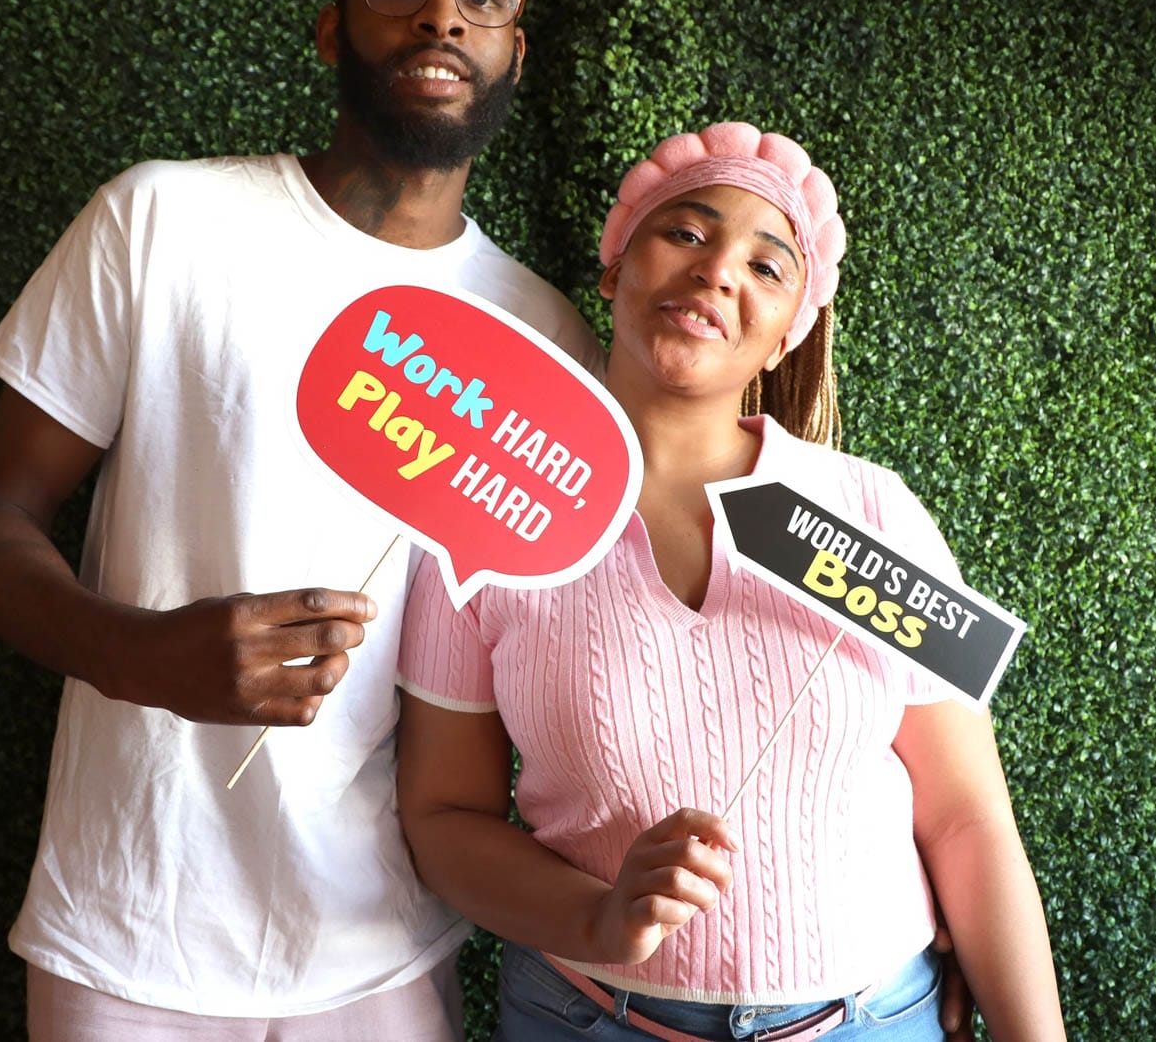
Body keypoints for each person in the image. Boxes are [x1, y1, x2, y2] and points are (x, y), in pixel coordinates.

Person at [0, 0, 605, 1042]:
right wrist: (144, 654)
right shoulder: (161, 220)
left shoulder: (544, 339)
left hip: (382, 943)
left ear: (516, 48)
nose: (441, 13)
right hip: (131, 925)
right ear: (331, 28)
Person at [396, 123, 1066, 1041]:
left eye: (766, 266)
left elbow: (965, 819)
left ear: (789, 336)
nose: (717, 272)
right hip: (585, 1018)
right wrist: (599, 916)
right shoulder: (491, 510)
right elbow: (442, 815)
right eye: (687, 233)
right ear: (614, 270)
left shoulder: (870, 512)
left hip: (872, 1020)